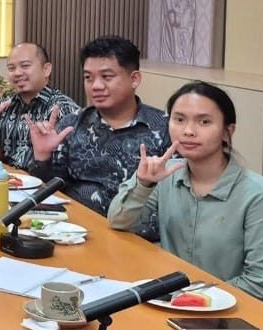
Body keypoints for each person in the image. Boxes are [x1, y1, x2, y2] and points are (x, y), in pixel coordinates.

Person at [108, 82, 263, 319]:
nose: (188, 131)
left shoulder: (259, 195)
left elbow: (262, 283)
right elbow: (119, 222)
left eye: (204, 122)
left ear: (227, 132)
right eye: (179, 119)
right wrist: (143, 184)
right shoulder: (166, 174)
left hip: (256, 314)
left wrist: (189, 297)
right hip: (187, 306)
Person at [26, 36, 170, 218]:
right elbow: (50, 190)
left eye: (107, 77)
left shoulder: (164, 128)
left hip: (138, 230)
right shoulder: (71, 125)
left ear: (134, 79)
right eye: (88, 77)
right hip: (76, 226)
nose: (96, 86)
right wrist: (42, 158)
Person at [0, 43, 79, 170]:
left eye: (25, 66)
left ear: (46, 69)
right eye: (11, 68)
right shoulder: (7, 103)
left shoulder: (63, 108)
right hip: (7, 177)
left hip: (43, 180)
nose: (17, 73)